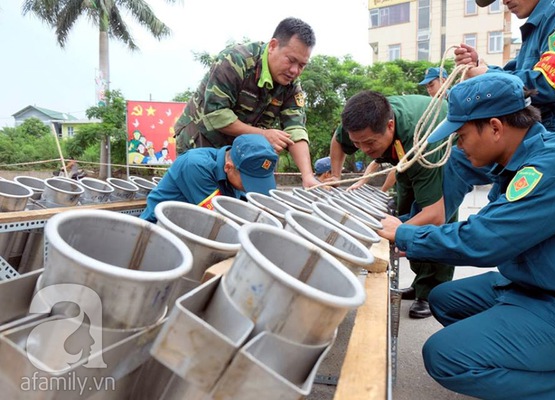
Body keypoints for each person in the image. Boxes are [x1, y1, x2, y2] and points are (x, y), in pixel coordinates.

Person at [378, 73, 555, 398]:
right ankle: (524, 361)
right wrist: (408, 228)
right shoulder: (519, 161)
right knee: (444, 299)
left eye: (462, 135)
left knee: (445, 356)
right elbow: (481, 225)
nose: (458, 145)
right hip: (540, 286)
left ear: (496, 128)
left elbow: (485, 241)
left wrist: (406, 236)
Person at [444, 0, 555, 222]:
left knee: (512, 223)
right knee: (458, 161)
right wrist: (480, 67)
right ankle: (429, 228)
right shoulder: (542, 23)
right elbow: (516, 74)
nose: (505, 0)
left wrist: (486, 74)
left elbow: (549, 82)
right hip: (541, 135)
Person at [331, 92, 454, 319]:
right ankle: (420, 284)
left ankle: (433, 293)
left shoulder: (423, 142)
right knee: (405, 210)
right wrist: (335, 178)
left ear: (389, 126)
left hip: (445, 155)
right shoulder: (363, 123)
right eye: (357, 143)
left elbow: (435, 214)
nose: (364, 149)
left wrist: (385, 232)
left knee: (432, 223)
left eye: (369, 143)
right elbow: (338, 142)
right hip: (406, 161)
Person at [173, 17, 319, 189]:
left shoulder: (291, 86)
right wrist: (263, 135)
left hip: (238, 152)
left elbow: (295, 130)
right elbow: (216, 115)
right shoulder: (235, 60)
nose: (295, 70)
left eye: (302, 65)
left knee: (238, 203)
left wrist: (307, 176)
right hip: (200, 142)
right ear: (273, 46)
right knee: (204, 205)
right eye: (290, 60)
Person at [140, 134, 278, 223]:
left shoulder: (236, 173)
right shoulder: (195, 165)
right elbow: (219, 221)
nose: (252, 188)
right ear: (228, 168)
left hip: (192, 227)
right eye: (249, 182)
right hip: (158, 229)